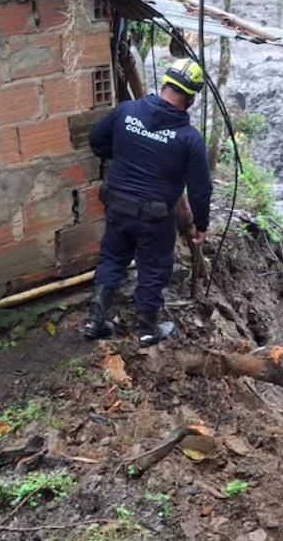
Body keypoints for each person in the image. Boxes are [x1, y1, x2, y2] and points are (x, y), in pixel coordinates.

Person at [84, 58, 213, 347]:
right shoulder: (189, 138)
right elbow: (200, 188)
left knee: (113, 257)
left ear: (165, 83)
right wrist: (200, 225)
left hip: (117, 204)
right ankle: (148, 328)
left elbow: (97, 142)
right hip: (155, 217)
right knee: (153, 268)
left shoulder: (126, 111)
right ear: (190, 99)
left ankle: (96, 320)